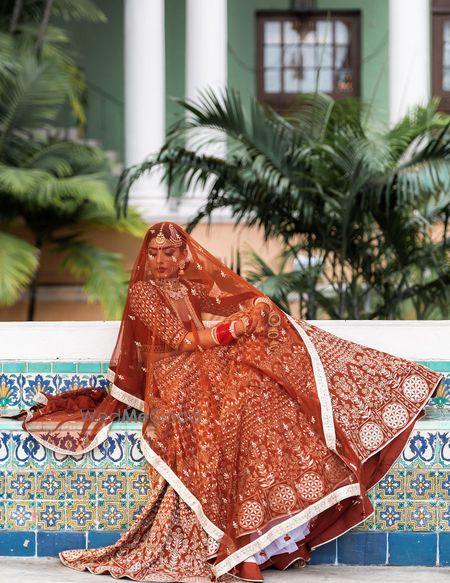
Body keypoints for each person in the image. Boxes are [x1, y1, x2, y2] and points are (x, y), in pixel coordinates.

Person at [15, 221, 443, 582]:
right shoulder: (146, 293)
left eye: (170, 253)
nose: (161, 261)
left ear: (184, 255)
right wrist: (231, 332)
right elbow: (181, 341)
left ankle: (395, 387)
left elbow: (231, 299)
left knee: (273, 370)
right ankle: (240, 545)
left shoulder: (187, 286)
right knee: (250, 380)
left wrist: (254, 308)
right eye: (155, 253)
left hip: (202, 368)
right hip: (173, 379)